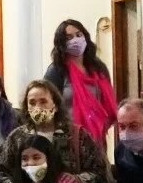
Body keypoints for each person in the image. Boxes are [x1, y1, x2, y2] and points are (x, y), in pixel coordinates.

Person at [44, 19, 116, 149]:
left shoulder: (99, 68)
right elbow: (47, 106)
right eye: (69, 37)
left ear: (85, 37)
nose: (75, 40)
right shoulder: (56, 70)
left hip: (96, 138)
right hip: (67, 140)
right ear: (61, 43)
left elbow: (107, 102)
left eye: (78, 35)